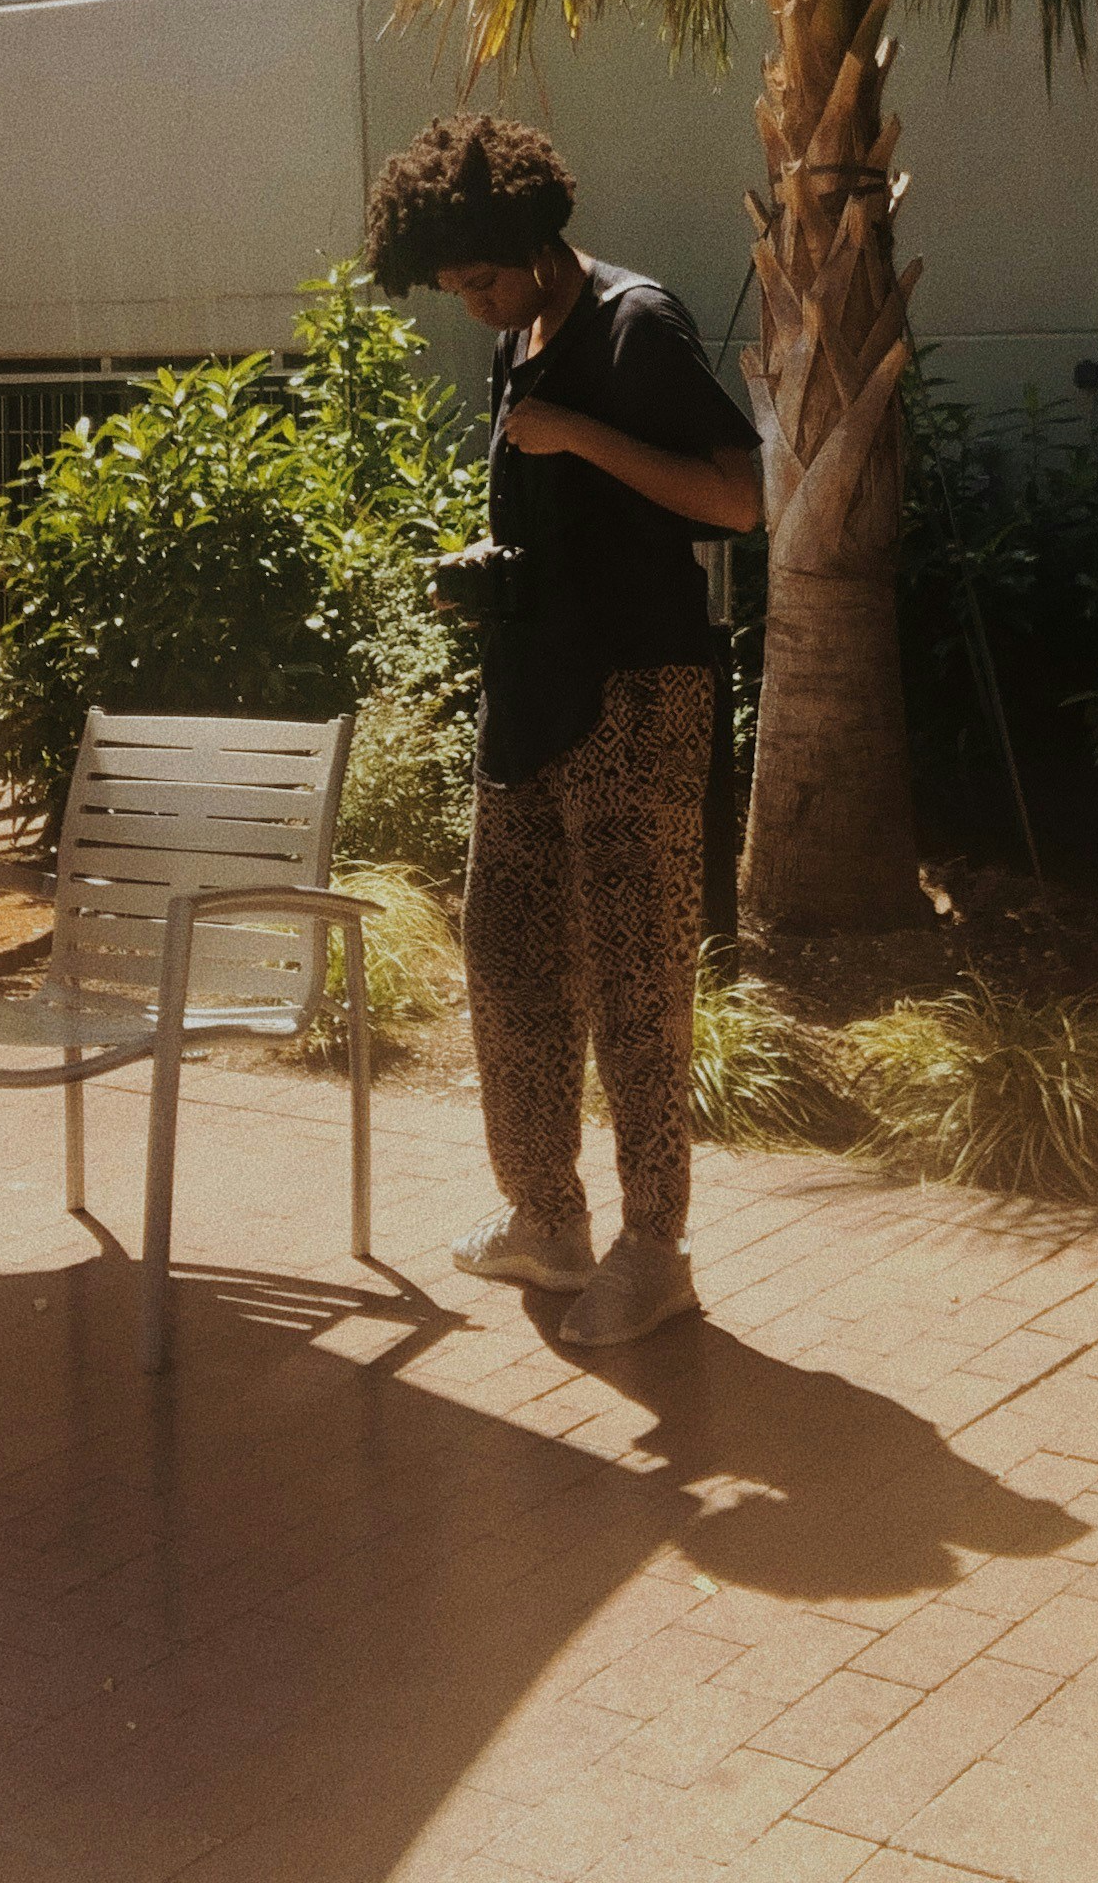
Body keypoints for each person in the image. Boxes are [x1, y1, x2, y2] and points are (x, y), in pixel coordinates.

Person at [365, 115, 762, 1346]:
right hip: (533, 694)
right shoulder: (521, 335)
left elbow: (739, 499)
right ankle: (548, 1218)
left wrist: (580, 432)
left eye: (484, 280)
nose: (474, 305)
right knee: (507, 963)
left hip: (637, 696)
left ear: (536, 242)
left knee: (638, 982)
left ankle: (655, 1248)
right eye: (455, 290)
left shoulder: (637, 323)